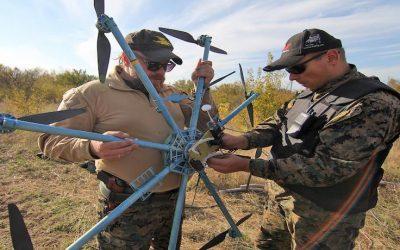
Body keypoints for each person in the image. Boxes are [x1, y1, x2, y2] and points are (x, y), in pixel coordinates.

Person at [207, 28, 400, 249]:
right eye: (289, 69)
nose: (291, 76)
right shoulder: (310, 93)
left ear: (332, 57)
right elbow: (278, 124)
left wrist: (246, 165)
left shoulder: (373, 103)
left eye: (298, 67)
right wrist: (242, 140)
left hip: (325, 216)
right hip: (282, 198)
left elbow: (326, 168)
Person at [38, 29, 218, 249]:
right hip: (126, 204)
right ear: (125, 58)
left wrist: (203, 88)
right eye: (153, 64)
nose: (161, 72)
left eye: (167, 65)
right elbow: (50, 141)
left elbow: (207, 125)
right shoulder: (91, 93)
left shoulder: (171, 93)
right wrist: (93, 147)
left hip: (173, 200)